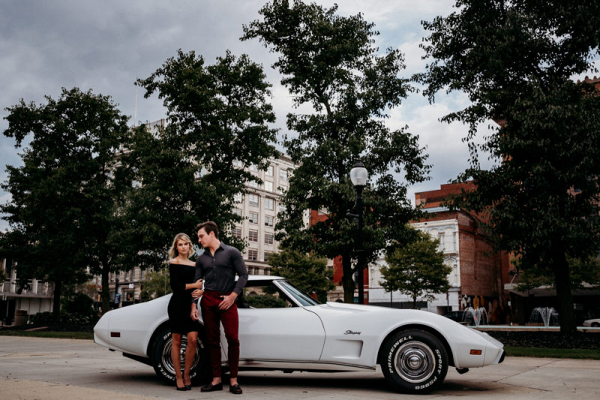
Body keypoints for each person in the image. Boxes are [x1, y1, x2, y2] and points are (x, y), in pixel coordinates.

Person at [191, 221, 248, 395]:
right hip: (208, 299)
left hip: (227, 299)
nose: (199, 240)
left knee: (233, 338)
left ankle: (233, 381)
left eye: (201, 236)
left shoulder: (232, 252)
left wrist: (233, 296)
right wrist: (193, 305)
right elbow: (197, 283)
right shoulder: (201, 259)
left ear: (212, 234)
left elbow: (243, 275)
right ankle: (216, 380)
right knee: (212, 340)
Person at [168, 233, 203, 391]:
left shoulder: (195, 265)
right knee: (176, 341)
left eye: (186, 244)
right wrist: (193, 286)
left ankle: (187, 373)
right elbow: (176, 286)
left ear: (190, 246)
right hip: (176, 305)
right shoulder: (173, 262)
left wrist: (199, 291)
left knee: (193, 339)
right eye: (180, 244)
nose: (183, 247)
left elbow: (200, 285)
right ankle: (178, 376)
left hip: (190, 305)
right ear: (176, 247)